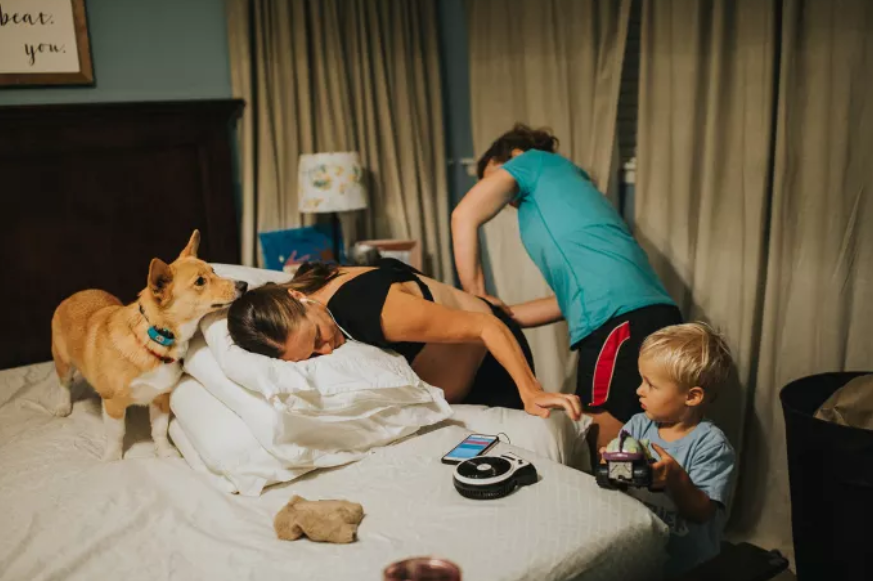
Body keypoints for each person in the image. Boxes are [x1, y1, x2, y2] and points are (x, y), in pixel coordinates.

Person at [451, 123, 681, 451]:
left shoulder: (532, 161)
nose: (505, 201)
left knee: (597, 444)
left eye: (493, 177)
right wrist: (496, 316)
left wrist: (475, 299)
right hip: (649, 315)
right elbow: (568, 301)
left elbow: (463, 216)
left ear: (514, 155)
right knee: (640, 446)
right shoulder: (569, 187)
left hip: (620, 322)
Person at [227, 258, 582, 420]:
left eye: (318, 337)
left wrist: (531, 391)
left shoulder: (368, 311)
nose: (327, 349)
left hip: (492, 362)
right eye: (311, 356)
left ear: (298, 298)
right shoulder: (306, 285)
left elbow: (486, 326)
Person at [602, 323, 736, 576]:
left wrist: (676, 479)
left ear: (692, 396)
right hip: (641, 552)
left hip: (688, 565)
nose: (639, 390)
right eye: (641, 380)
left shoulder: (711, 446)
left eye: (650, 385)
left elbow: (701, 513)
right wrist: (612, 465)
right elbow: (618, 485)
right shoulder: (638, 425)